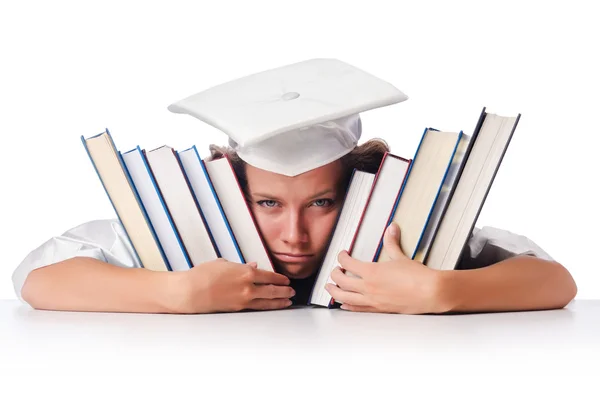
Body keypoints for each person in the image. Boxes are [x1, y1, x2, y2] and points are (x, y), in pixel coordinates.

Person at [12, 58, 577, 314]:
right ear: (230, 191)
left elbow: (554, 282)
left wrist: (442, 292)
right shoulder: (187, 237)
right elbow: (38, 280)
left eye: (322, 203)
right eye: (267, 203)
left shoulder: (395, 232)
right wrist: (172, 293)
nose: (295, 235)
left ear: (357, 194)